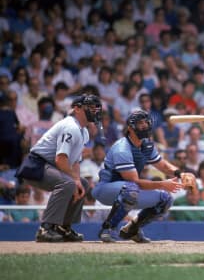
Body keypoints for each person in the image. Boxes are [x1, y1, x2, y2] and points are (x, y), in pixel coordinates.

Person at [15, 94, 102, 242]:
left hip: (50, 166)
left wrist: (78, 182)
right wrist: (74, 180)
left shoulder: (84, 131)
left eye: (95, 108)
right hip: (35, 165)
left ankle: (63, 228)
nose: (94, 110)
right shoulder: (71, 126)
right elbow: (61, 160)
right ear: (77, 108)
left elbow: (74, 162)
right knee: (68, 183)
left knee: (84, 184)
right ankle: (45, 228)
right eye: (90, 107)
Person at [92, 110, 186, 243]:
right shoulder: (122, 148)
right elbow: (135, 181)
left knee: (165, 199)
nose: (144, 126)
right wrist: (163, 184)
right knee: (131, 189)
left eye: (146, 122)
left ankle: (132, 230)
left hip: (128, 189)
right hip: (105, 189)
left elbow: (163, 165)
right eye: (140, 123)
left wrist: (181, 174)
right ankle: (107, 228)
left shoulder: (146, 144)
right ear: (130, 128)